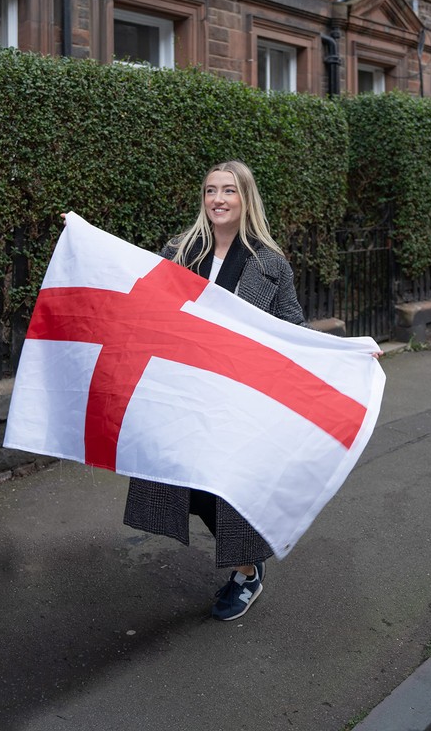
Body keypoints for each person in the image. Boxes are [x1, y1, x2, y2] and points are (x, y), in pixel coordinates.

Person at [121, 160, 308, 621]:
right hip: (184, 393)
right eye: (210, 191)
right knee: (187, 482)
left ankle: (247, 571)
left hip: (237, 398)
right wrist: (80, 236)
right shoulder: (180, 250)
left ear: (246, 198)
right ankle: (249, 558)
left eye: (228, 190)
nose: (218, 199)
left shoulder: (270, 263)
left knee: (225, 488)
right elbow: (142, 297)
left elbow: (293, 326)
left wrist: (345, 356)